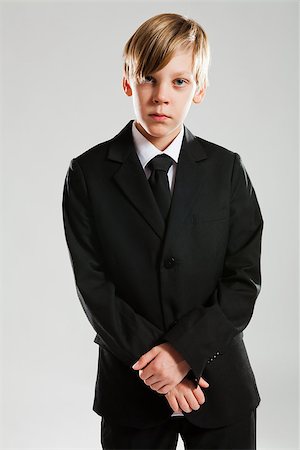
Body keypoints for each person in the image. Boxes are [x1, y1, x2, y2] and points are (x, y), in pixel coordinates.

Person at [62, 12, 264, 450]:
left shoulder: (226, 171)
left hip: (219, 383)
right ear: (127, 82)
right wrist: (161, 369)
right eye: (149, 78)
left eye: (179, 82)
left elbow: (242, 281)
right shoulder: (88, 174)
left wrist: (184, 354)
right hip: (131, 390)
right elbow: (94, 286)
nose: (161, 97)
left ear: (200, 88)